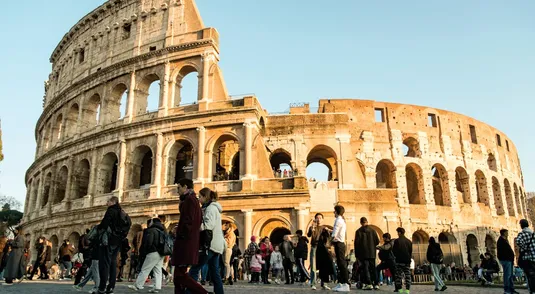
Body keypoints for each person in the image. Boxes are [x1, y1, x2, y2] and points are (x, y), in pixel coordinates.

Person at [184, 187, 225, 294]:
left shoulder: (211, 208)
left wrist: (196, 225)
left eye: (200, 197)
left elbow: (208, 225)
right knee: (215, 273)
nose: (199, 199)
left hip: (210, 244)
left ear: (205, 197)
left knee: (194, 269)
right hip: (216, 245)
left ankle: (189, 292)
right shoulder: (213, 208)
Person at [172, 178, 205, 294]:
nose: (177, 191)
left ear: (185, 187)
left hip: (185, 242)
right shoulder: (193, 200)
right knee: (178, 276)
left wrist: (180, 232)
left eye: (179, 188)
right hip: (188, 241)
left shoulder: (190, 200)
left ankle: (203, 292)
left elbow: (188, 221)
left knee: (180, 276)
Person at [97, 195, 130, 294]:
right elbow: (128, 224)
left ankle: (102, 287)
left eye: (108, 202)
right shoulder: (122, 212)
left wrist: (99, 230)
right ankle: (111, 287)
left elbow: (104, 224)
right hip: (118, 241)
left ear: (112, 202)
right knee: (113, 263)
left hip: (109, 240)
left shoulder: (111, 211)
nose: (107, 204)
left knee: (105, 263)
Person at [128, 217, 166, 293]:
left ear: (153, 222)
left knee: (145, 269)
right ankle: (157, 287)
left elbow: (148, 242)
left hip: (153, 252)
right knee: (158, 270)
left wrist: (144, 252)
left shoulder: (151, 230)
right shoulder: (162, 231)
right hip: (161, 253)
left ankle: (137, 285)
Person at [354, 217, 380, 290]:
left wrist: (357, 255)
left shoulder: (358, 231)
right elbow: (377, 241)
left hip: (363, 253)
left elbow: (357, 244)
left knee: (366, 268)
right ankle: (376, 283)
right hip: (372, 252)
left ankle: (369, 283)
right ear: (367, 222)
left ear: (361, 223)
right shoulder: (373, 231)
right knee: (373, 268)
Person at [73, 226, 100, 294]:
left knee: (95, 271)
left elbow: (89, 246)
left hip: (95, 255)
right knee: (90, 271)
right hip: (92, 255)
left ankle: (97, 287)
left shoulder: (96, 237)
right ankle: (80, 285)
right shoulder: (95, 236)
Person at [331, 205, 350, 292]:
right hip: (340, 243)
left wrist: (330, 241)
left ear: (337, 212)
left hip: (339, 244)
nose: (333, 212)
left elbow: (335, 232)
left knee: (342, 264)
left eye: (334, 211)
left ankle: (346, 284)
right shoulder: (341, 220)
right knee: (339, 263)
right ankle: (341, 283)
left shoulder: (338, 220)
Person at [516, 219, 535, 293]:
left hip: (527, 258)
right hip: (534, 257)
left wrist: (524, 248)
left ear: (521, 225)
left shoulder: (522, 234)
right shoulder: (533, 233)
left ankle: (532, 290)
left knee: (530, 276)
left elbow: (518, 241)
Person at [308, 213, 325, 290]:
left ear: (322, 219)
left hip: (321, 248)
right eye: (317, 218)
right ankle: (313, 284)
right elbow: (308, 235)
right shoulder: (312, 227)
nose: (319, 219)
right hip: (314, 247)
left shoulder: (324, 228)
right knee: (313, 266)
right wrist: (312, 229)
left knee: (323, 266)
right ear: (315, 219)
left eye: (320, 218)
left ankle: (324, 283)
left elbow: (327, 238)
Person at [392, 227, 412, 293]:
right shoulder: (409, 241)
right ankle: (407, 290)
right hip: (407, 261)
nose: (397, 234)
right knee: (407, 276)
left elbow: (394, 251)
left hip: (399, 261)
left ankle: (400, 290)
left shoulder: (397, 241)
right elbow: (410, 251)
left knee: (398, 276)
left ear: (399, 232)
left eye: (397, 232)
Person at [497, 229, 516, 294]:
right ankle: (507, 290)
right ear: (504, 233)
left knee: (510, 275)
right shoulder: (501, 241)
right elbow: (503, 252)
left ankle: (511, 289)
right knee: (507, 276)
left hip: (509, 260)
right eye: (507, 233)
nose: (508, 234)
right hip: (506, 260)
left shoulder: (505, 240)